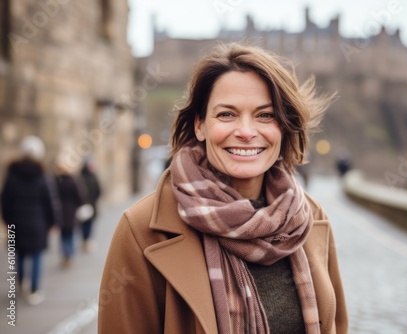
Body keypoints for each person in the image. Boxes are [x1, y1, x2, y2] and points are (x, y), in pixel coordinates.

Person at [99, 42, 348, 333]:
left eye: (265, 115)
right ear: (200, 125)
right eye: (226, 114)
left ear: (283, 127)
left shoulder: (310, 217)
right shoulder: (140, 231)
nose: (245, 131)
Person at [1, 136, 57, 305]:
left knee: (19, 254)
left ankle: (20, 282)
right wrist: (52, 221)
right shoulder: (42, 176)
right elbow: (49, 201)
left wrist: (7, 220)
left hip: (16, 222)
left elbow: (5, 200)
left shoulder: (12, 175)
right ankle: (34, 290)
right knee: (37, 257)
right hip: (37, 224)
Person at [53, 158, 86, 268]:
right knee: (70, 234)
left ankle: (65, 254)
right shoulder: (73, 180)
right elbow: (80, 196)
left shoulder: (56, 181)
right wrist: (79, 204)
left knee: (63, 234)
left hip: (60, 211)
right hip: (71, 211)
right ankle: (69, 255)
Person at [79, 157, 101, 252]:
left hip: (85, 205)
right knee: (88, 224)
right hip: (90, 204)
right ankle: (86, 241)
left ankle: (85, 240)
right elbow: (98, 191)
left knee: (86, 224)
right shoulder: (92, 176)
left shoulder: (80, 177)